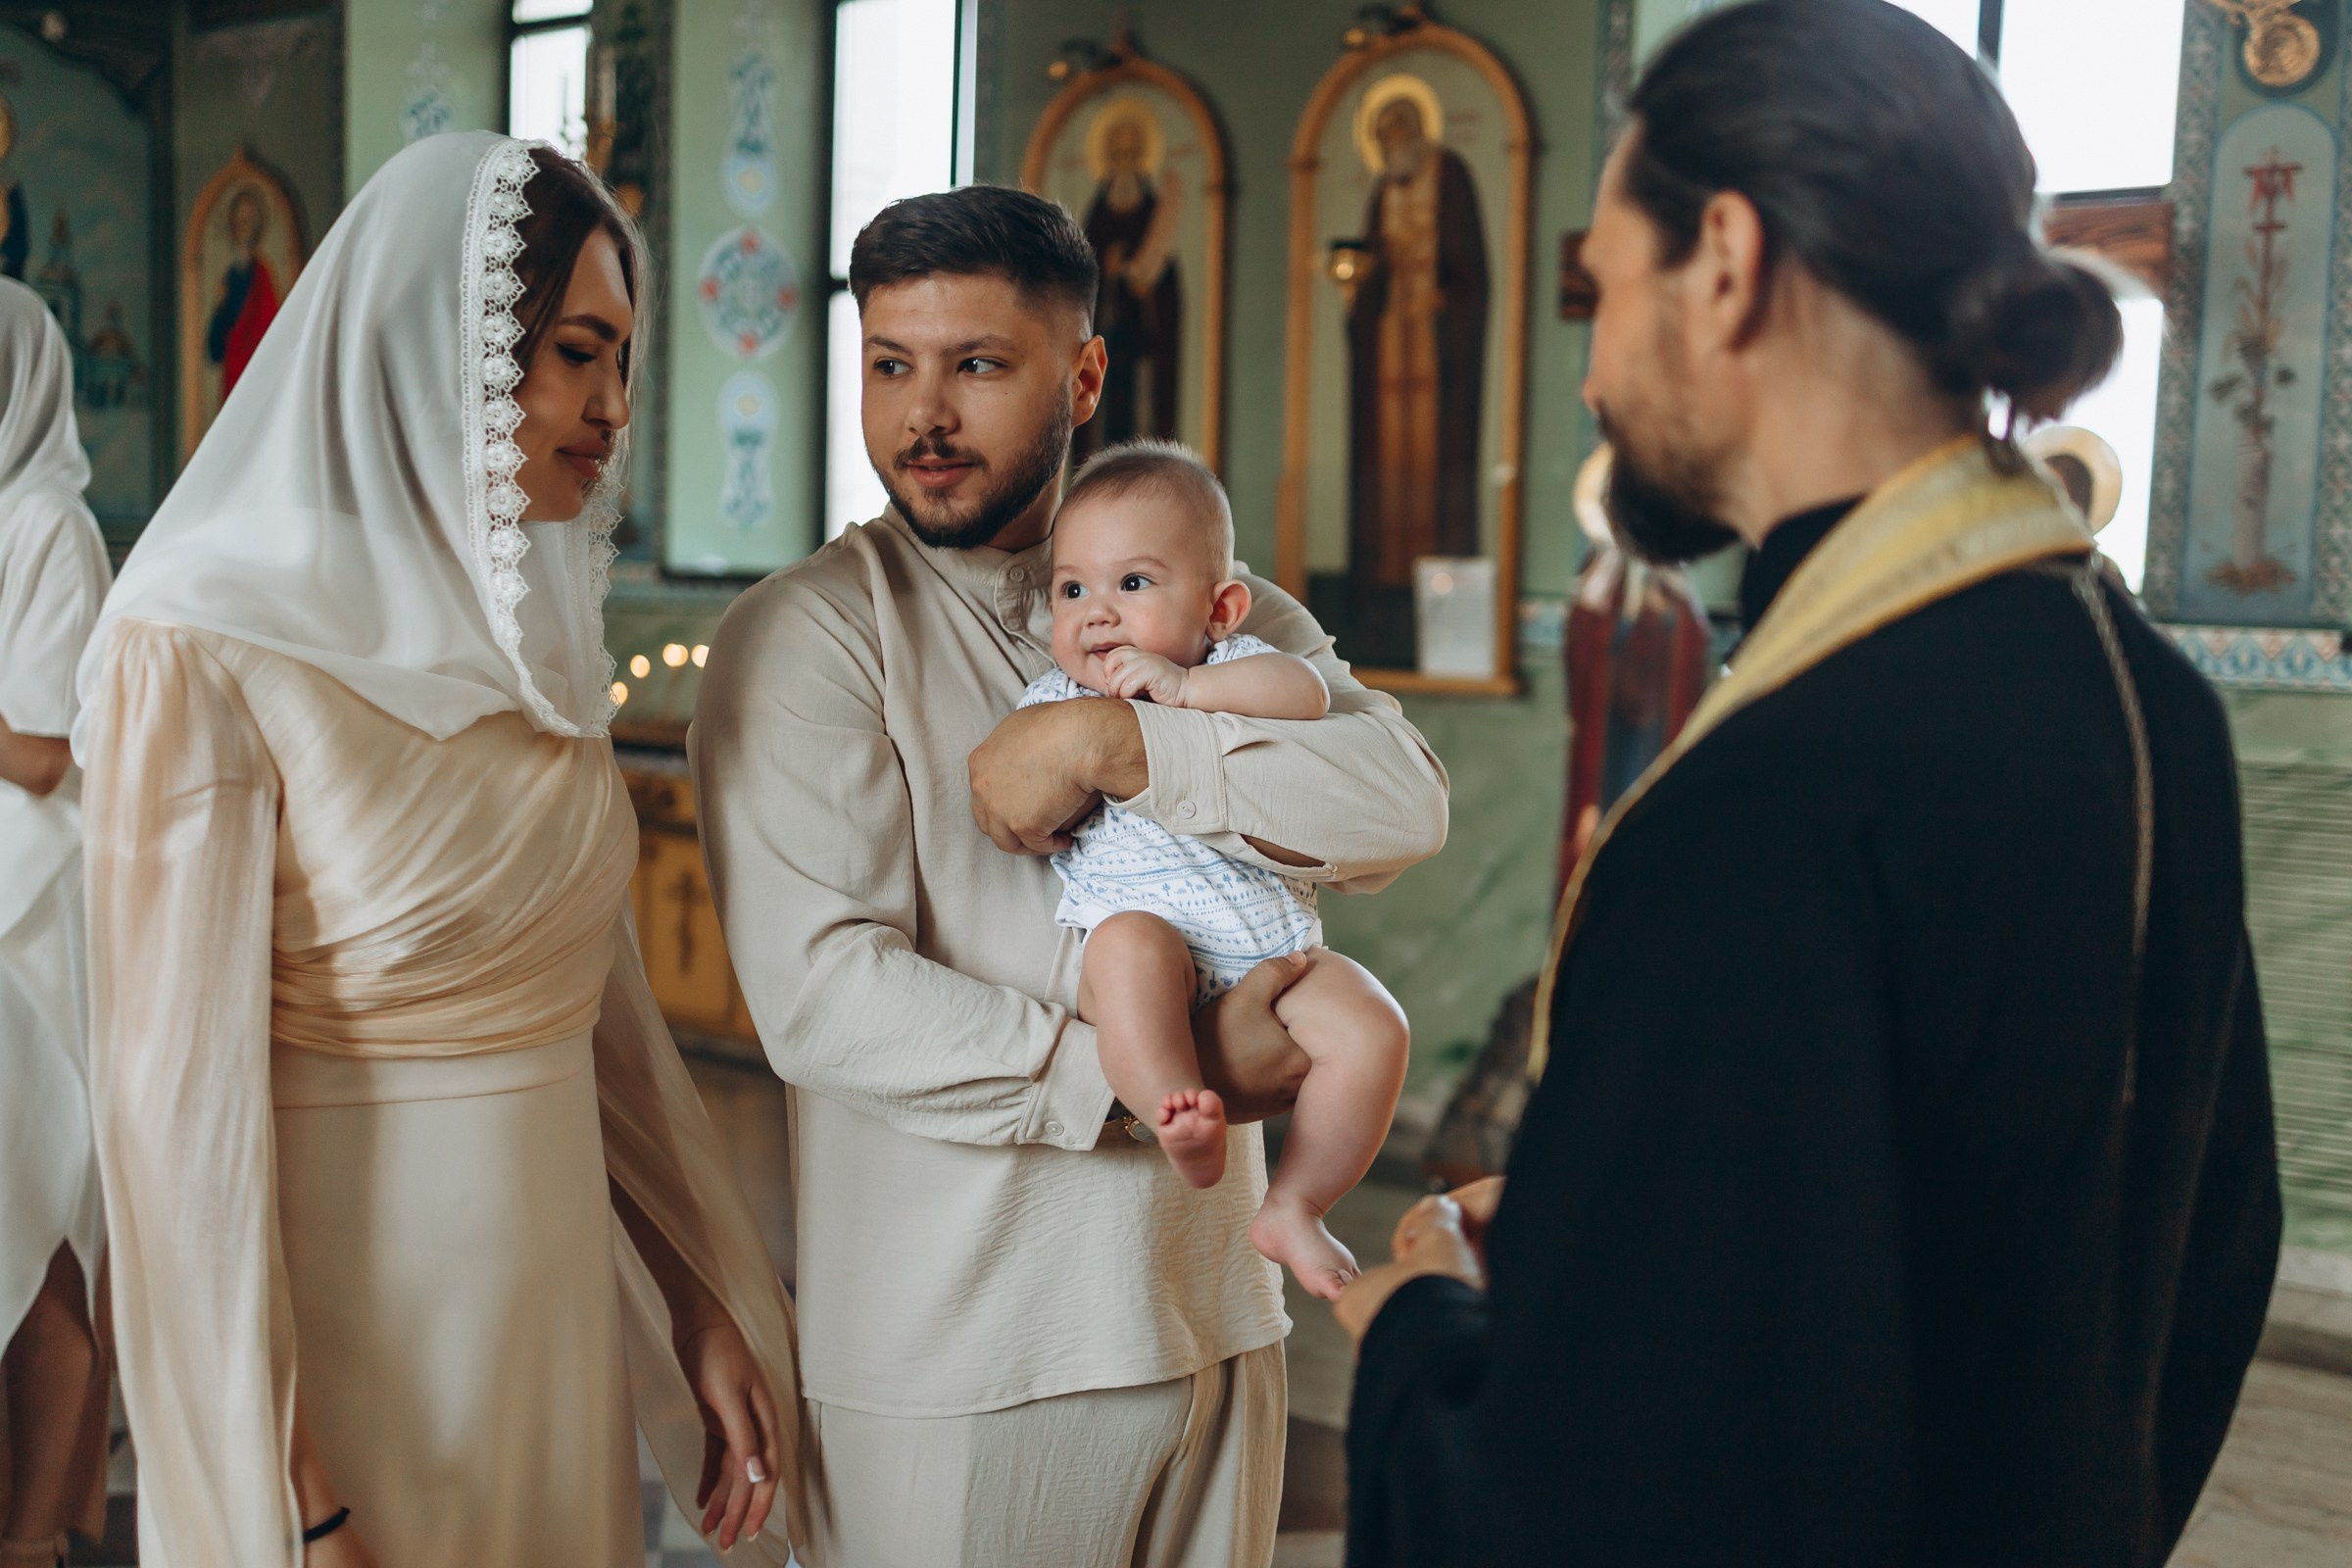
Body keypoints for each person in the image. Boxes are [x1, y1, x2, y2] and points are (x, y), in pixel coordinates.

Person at [1336, 4, 2281, 1565]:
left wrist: (1420, 1329)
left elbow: (1595, 1506)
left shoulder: (1774, 800)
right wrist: (1595, 1242)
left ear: (1723, 256)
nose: (1592, 376)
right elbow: (2182, 1270)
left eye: (1604, 292)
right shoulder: (2143, 693)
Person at [691, 185, 1448, 1568]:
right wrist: (1149, 1072)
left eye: (976, 365)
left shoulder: (1199, 604)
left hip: (1217, 1321)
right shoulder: (805, 638)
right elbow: (823, 995)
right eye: (889, 365)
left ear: (1082, 373)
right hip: (966, 1357)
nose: (924, 415)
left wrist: (1120, 737)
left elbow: (1400, 804)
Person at [75, 133, 804, 1568]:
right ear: (448, 355)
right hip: (344, 1366)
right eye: (576, 354)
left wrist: (700, 1291)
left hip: (547, 1330)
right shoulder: (205, 642)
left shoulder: (526, 649)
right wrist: (292, 1493)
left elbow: (598, 1017)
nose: (612, 407)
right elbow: (173, 1128)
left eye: (624, 360)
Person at [1017, 439, 1411, 1298]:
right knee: (1125, 953)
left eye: (1133, 584)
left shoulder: (1229, 668)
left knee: (1375, 1026)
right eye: (1072, 589)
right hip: (1149, 939)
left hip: (1273, 951)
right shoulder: (1057, 700)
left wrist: (1184, 692)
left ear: (1221, 607)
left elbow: (1305, 698)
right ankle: (1172, 1102)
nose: (1097, 614)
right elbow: (1020, 801)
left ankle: (1297, 1202)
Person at [0, 278, 112, 1568]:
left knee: (37, 1242)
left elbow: (41, 754)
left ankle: (36, 1534)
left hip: (28, 928)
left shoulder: (49, 525)